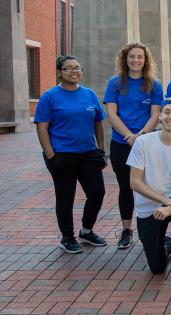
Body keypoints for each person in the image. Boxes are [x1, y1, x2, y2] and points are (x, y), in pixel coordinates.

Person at [35, 56, 107, 254]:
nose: (74, 71)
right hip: (62, 155)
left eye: (77, 68)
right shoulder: (50, 97)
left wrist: (101, 149)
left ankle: (86, 230)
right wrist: (51, 155)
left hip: (88, 154)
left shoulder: (89, 94)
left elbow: (98, 123)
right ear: (60, 72)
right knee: (66, 197)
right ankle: (67, 237)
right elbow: (42, 128)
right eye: (69, 68)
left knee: (97, 192)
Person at [127, 97, 171, 289]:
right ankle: (169, 244)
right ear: (159, 116)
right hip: (150, 207)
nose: (170, 116)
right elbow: (134, 182)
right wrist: (164, 201)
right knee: (157, 268)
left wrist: (170, 204)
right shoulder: (143, 142)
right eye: (167, 112)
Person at [104, 42, 163, 249]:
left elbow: (156, 115)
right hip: (121, 143)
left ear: (145, 60)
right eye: (132, 57)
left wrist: (142, 135)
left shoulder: (154, 85)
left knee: (150, 185)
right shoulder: (115, 83)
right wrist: (129, 135)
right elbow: (111, 113)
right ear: (125, 59)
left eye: (140, 57)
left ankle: (155, 229)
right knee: (126, 187)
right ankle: (127, 230)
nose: (135, 60)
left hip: (147, 143)